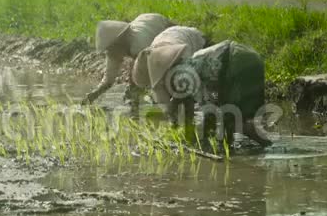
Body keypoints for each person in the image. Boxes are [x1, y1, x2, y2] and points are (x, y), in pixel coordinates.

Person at [134, 39, 272, 148]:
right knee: (232, 116)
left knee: (232, 120)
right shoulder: (185, 67)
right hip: (246, 57)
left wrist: (201, 136)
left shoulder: (179, 76)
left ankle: (265, 145)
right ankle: (253, 146)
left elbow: (204, 105)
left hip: (237, 61)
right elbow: (188, 104)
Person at [82, 13, 174, 111]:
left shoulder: (140, 43)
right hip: (145, 23)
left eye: (111, 48)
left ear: (120, 41)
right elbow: (108, 79)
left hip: (165, 28)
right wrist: (93, 95)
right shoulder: (114, 52)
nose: (110, 52)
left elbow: (151, 70)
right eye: (108, 50)